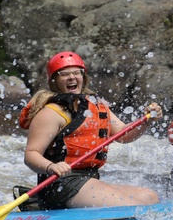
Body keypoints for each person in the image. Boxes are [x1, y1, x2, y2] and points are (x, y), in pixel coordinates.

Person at [20, 51, 164, 208]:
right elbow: (31, 154)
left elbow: (124, 134)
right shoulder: (50, 113)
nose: (72, 77)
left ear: (83, 77)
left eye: (76, 73)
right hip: (60, 183)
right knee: (130, 206)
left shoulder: (95, 104)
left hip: (88, 178)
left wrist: (146, 122)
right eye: (64, 74)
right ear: (54, 81)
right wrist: (51, 166)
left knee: (150, 197)